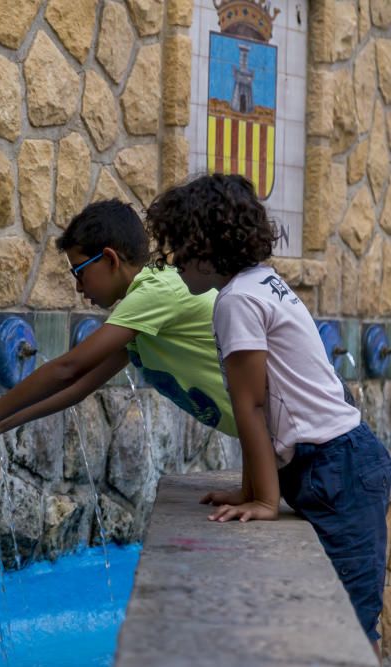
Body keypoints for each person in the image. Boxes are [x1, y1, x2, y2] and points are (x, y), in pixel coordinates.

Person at [145, 173, 391, 653]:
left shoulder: (236, 301)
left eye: (175, 249)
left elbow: (251, 407)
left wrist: (263, 502)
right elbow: (263, 407)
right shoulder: (261, 283)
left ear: (204, 248)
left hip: (338, 466)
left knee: (348, 619)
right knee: (335, 612)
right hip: (338, 461)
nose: (170, 263)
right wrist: (249, 489)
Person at [0, 199, 239, 453]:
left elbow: (69, 369)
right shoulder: (145, 307)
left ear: (109, 259)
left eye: (78, 272)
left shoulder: (156, 293)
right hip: (270, 442)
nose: (79, 287)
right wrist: (0, 422)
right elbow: (79, 388)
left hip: (283, 442)